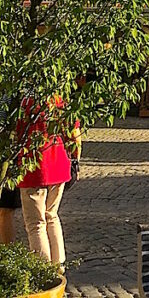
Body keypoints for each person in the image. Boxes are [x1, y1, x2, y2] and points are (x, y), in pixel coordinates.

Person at [18, 98, 80, 267]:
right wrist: (76, 160)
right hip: (58, 163)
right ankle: (59, 265)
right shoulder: (59, 99)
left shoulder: (24, 102)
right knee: (51, 216)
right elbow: (74, 135)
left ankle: (43, 268)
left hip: (33, 167)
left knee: (36, 223)